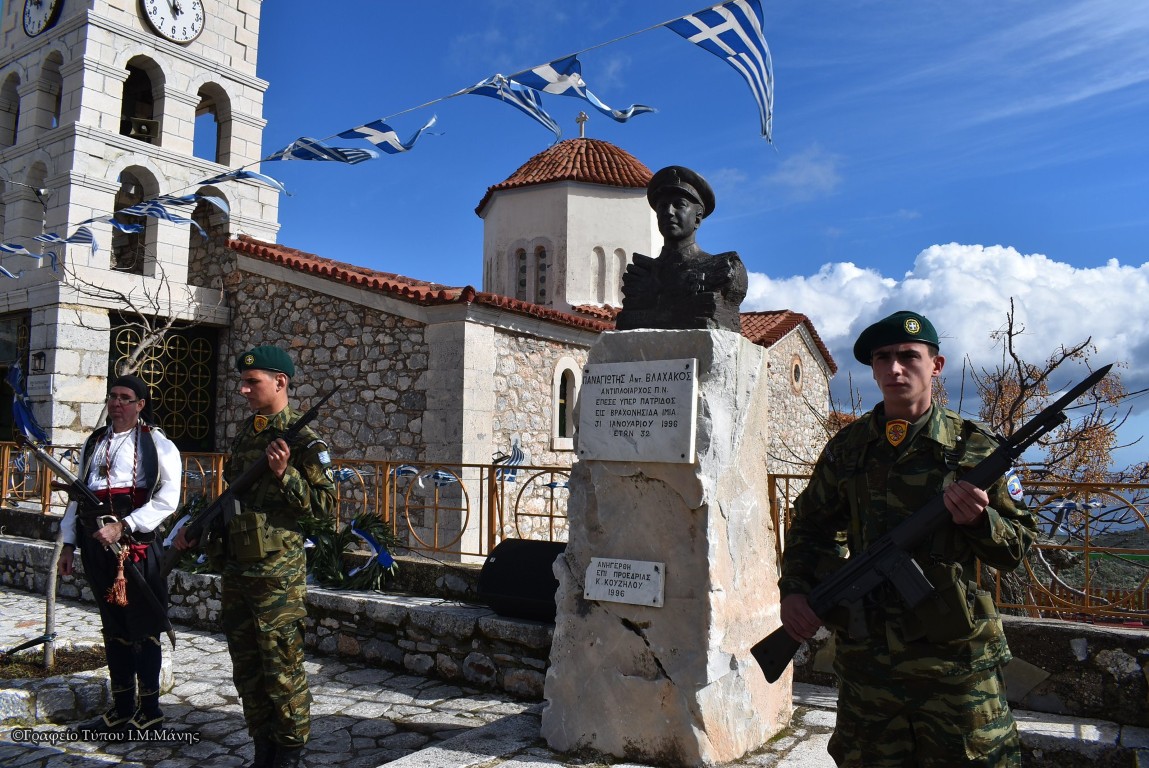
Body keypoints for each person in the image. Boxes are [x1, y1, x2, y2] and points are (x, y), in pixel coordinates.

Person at [778, 310, 1038, 767]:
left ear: (936, 365)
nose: (894, 369)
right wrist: (796, 590)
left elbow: (1017, 548)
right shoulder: (848, 449)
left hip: (957, 665)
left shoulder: (975, 449)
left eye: (908, 356)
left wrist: (980, 522)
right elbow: (811, 527)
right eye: (883, 358)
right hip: (869, 664)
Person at [175, 345, 335, 768]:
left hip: (276, 577)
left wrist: (286, 474)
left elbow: (326, 509)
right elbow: (234, 495)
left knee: (281, 666)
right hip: (238, 567)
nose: (243, 389)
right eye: (242, 382)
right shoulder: (248, 433)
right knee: (246, 667)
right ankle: (263, 748)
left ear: (280, 382)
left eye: (252, 382)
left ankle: (289, 752)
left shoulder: (304, 441)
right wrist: (199, 528)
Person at [59, 374, 182, 732]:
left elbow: (168, 499)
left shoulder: (157, 443)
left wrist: (126, 525)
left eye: (125, 398)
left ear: (140, 404)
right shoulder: (94, 441)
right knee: (113, 627)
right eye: (112, 396)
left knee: (144, 627)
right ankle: (122, 707)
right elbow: (78, 498)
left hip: (136, 546)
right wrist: (68, 543)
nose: (116, 403)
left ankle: (150, 711)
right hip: (96, 545)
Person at [615, 165, 748, 332]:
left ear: (697, 218)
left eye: (679, 205)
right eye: (662, 206)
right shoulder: (640, 276)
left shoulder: (723, 268)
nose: (669, 212)